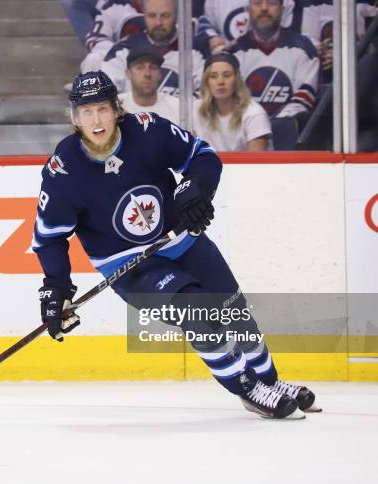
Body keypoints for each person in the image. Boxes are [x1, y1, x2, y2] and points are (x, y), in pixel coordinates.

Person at [32, 70, 319, 420]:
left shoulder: (148, 130)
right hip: (130, 263)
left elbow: (203, 155)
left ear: (116, 110)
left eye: (103, 109)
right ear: (75, 118)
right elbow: (49, 238)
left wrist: (197, 188)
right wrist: (57, 287)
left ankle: (270, 382)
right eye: (87, 112)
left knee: (234, 312)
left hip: (181, 239)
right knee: (198, 312)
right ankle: (249, 389)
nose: (96, 119)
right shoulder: (63, 170)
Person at [227, 0, 319, 149]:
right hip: (243, 141)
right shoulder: (234, 53)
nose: (264, 8)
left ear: (282, 9)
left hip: (288, 143)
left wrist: (268, 128)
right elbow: (229, 102)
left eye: (271, 3)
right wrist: (255, 127)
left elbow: (303, 99)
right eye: (257, 3)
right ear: (249, 9)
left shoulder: (304, 48)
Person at [101, 0, 205, 96]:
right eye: (152, 16)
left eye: (165, 16)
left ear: (177, 15)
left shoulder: (195, 50)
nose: (158, 22)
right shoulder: (123, 49)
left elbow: (205, 97)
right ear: (143, 15)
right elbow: (105, 94)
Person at [193, 52, 271, 151]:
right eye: (213, 76)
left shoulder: (254, 113)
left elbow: (256, 163)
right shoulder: (194, 110)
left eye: (227, 75)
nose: (220, 82)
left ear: (237, 80)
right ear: (206, 82)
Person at [194, 0, 297, 56]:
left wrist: (238, 44)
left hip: (268, 60)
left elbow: (282, 35)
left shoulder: (285, 2)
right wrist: (212, 37)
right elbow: (205, 21)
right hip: (228, 64)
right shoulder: (215, 2)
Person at [118, 44, 181, 124]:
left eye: (153, 67)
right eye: (140, 67)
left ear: (159, 74)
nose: (147, 74)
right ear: (128, 73)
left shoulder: (177, 108)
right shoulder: (116, 108)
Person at [82, 0, 144, 73]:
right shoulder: (115, 6)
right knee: (94, 59)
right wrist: (119, 52)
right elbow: (95, 39)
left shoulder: (159, 9)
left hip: (157, 62)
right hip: (124, 61)